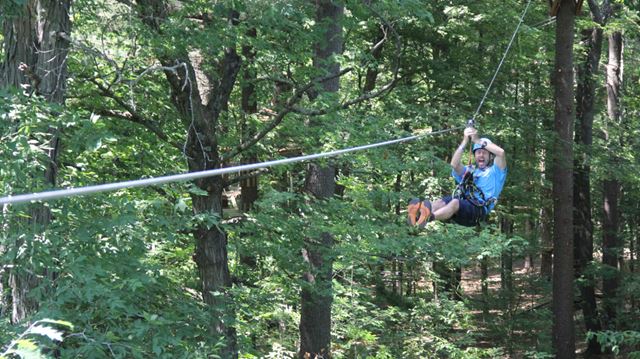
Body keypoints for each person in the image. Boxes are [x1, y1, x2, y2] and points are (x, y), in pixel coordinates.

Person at [407, 127, 507, 227]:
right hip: (463, 206)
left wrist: (477, 140)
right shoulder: (471, 171)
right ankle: (420, 215)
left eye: (484, 153)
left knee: (455, 202)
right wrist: (465, 141)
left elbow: (501, 153)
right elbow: (454, 164)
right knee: (441, 202)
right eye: (478, 152)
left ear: (490, 156)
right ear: (475, 155)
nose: (481, 155)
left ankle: (429, 217)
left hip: (478, 211)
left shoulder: (496, 172)